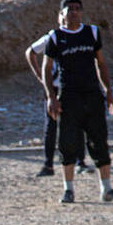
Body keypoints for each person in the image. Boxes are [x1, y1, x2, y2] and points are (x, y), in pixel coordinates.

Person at [41, 0, 113, 203]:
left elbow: (101, 63)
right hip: (68, 96)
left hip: (92, 94)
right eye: (70, 9)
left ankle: (107, 189)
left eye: (78, 9)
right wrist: (51, 96)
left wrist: (108, 91)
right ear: (62, 14)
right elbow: (46, 67)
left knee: (99, 141)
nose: (74, 12)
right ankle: (68, 189)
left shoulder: (92, 33)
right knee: (67, 143)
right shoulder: (56, 37)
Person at [25, 30, 88, 178]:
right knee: (51, 125)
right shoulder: (49, 39)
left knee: (76, 124)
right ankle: (48, 165)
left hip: (72, 86)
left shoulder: (79, 38)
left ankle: (80, 162)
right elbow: (30, 52)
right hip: (53, 87)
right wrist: (39, 76)